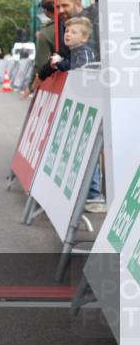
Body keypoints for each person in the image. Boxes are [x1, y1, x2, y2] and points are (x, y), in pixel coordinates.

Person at [46, 17, 105, 213]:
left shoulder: (85, 54)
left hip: (90, 109)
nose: (68, 34)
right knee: (82, 149)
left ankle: (95, 195)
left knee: (90, 153)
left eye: (73, 32)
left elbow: (82, 73)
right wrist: (61, 63)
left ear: (85, 37)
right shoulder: (75, 53)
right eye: (66, 32)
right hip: (81, 109)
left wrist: (61, 64)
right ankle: (85, 191)